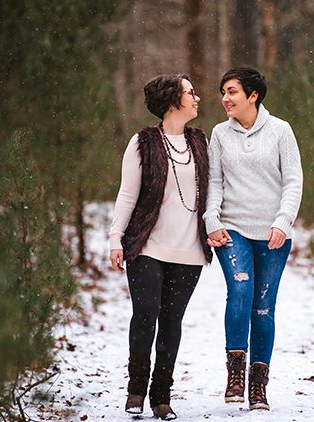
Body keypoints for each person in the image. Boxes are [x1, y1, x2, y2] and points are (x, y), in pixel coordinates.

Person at [108, 74, 210, 420]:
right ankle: (136, 390)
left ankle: (161, 396)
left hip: (190, 249)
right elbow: (127, 194)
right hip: (147, 244)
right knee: (146, 313)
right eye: (190, 93)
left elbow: (214, 191)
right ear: (172, 101)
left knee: (171, 320)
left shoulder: (200, 141)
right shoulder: (143, 142)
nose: (197, 98)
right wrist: (115, 237)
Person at [204, 67, 303, 411]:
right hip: (232, 227)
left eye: (231, 91)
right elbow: (214, 180)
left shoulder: (280, 131)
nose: (225, 99)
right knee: (241, 290)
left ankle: (259, 385)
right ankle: (235, 372)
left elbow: (293, 181)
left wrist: (283, 220)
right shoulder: (219, 133)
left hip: (274, 232)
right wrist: (211, 217)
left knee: (263, 307)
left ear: (253, 95)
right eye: (223, 92)